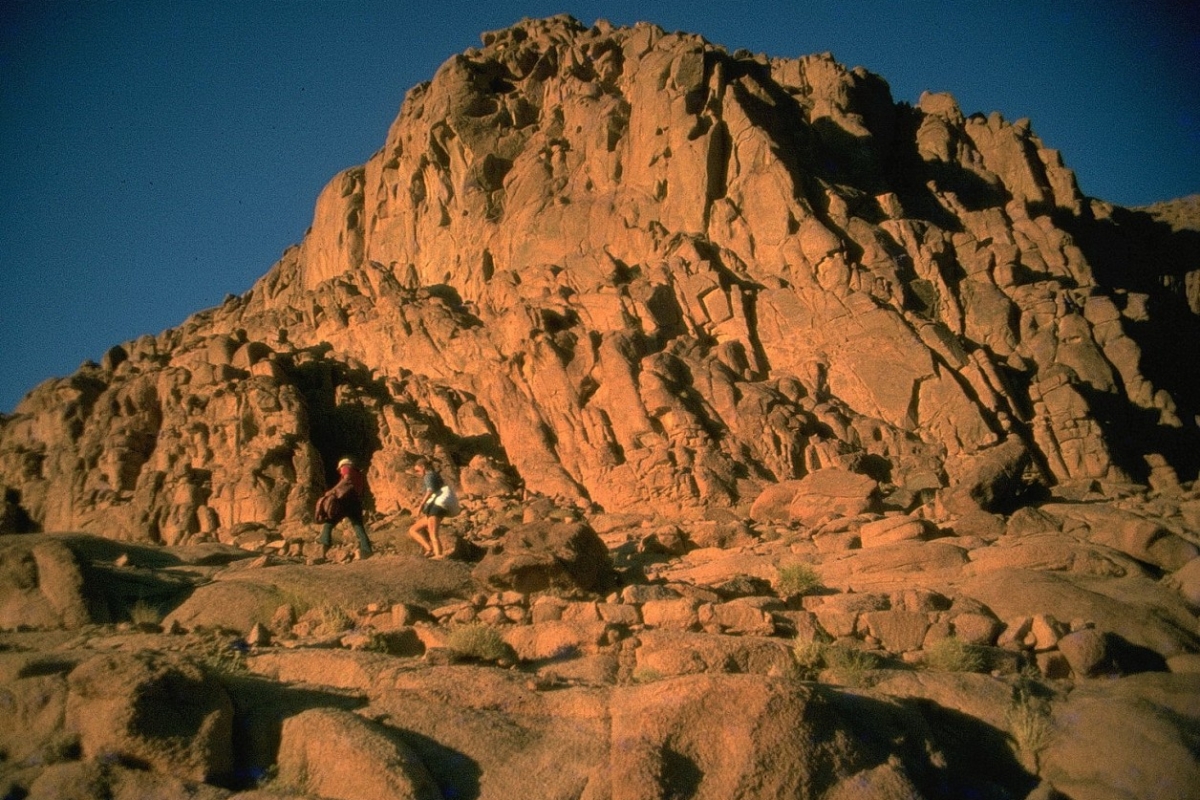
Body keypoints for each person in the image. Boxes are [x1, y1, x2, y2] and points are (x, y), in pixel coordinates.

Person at [316, 457, 373, 561]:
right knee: (358, 526)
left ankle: (324, 545)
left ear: (343, 465)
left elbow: (346, 479)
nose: (340, 471)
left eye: (340, 468)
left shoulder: (346, 468)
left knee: (329, 522)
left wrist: (332, 491)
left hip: (345, 502)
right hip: (356, 503)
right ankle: (367, 550)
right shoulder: (359, 474)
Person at [407, 458, 450, 559]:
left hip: (435, 508)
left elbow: (430, 490)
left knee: (433, 535)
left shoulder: (428, 476)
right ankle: (429, 549)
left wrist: (421, 505)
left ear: (423, 467)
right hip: (436, 508)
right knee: (413, 529)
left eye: (417, 470)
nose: (417, 473)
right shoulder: (434, 474)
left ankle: (438, 556)